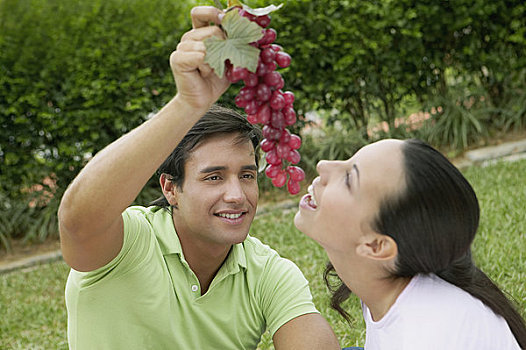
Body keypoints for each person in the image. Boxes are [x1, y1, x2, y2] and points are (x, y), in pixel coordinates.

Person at [58, 6, 340, 350]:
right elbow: (78, 222)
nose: (237, 195)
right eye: (213, 178)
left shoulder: (268, 272)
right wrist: (187, 104)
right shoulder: (129, 243)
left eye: (247, 175)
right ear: (170, 188)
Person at [294, 138, 526, 349]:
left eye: (348, 179)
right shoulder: (387, 287)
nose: (323, 165)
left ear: (377, 246)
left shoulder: (427, 336)